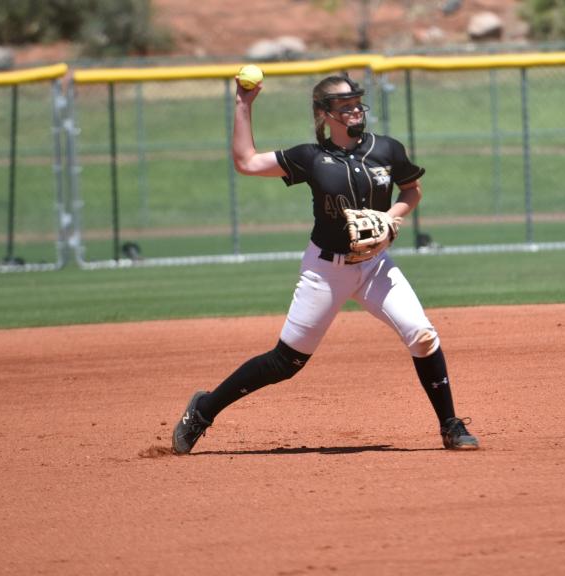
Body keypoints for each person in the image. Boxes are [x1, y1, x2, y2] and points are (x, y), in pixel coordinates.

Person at [172, 72, 478, 454]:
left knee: (422, 335)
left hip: (374, 266)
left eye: (356, 103)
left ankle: (450, 425)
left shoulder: (386, 150)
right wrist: (243, 103)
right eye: (343, 105)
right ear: (324, 114)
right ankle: (204, 409)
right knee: (287, 361)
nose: (354, 110)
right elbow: (246, 162)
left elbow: (411, 189)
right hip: (326, 270)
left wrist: (390, 219)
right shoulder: (310, 158)